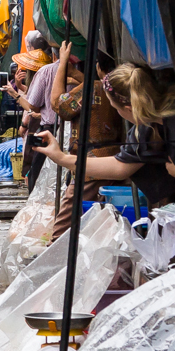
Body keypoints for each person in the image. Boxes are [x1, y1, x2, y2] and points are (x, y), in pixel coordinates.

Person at [33, 62, 175, 209]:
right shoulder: (147, 129)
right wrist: (61, 158)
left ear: (129, 109)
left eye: (115, 109)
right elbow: (120, 167)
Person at [48, 41, 126, 239]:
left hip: (91, 163)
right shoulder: (120, 86)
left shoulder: (94, 88)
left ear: (98, 67)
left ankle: (55, 257)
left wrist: (62, 62)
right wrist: (76, 75)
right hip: (117, 158)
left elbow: (59, 105)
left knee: (64, 224)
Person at [8, 43, 57, 190]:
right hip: (57, 127)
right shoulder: (62, 71)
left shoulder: (45, 72)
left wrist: (15, 94)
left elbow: (32, 105)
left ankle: (34, 196)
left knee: (34, 164)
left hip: (43, 127)